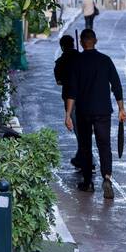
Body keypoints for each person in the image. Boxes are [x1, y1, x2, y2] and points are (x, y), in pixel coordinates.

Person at [65, 28, 126, 199]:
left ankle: (88, 182)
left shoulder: (77, 63)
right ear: (95, 41)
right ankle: (107, 177)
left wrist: (68, 114)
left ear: (83, 43)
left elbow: (72, 91)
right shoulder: (105, 61)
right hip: (103, 111)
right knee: (104, 145)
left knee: (85, 146)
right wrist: (121, 108)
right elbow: (116, 85)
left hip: (84, 112)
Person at [54, 35, 83, 168]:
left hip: (70, 99)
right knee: (83, 130)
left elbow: (59, 81)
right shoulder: (82, 58)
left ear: (62, 46)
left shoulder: (61, 61)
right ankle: (82, 156)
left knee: (79, 129)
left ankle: (86, 158)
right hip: (85, 97)